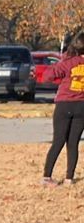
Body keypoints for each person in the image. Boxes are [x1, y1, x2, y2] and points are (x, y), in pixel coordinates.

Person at [41, 32, 84, 186]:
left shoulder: (68, 62)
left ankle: (47, 176)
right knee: (73, 143)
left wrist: (62, 78)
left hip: (64, 103)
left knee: (58, 141)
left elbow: (47, 76)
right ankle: (69, 177)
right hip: (82, 105)